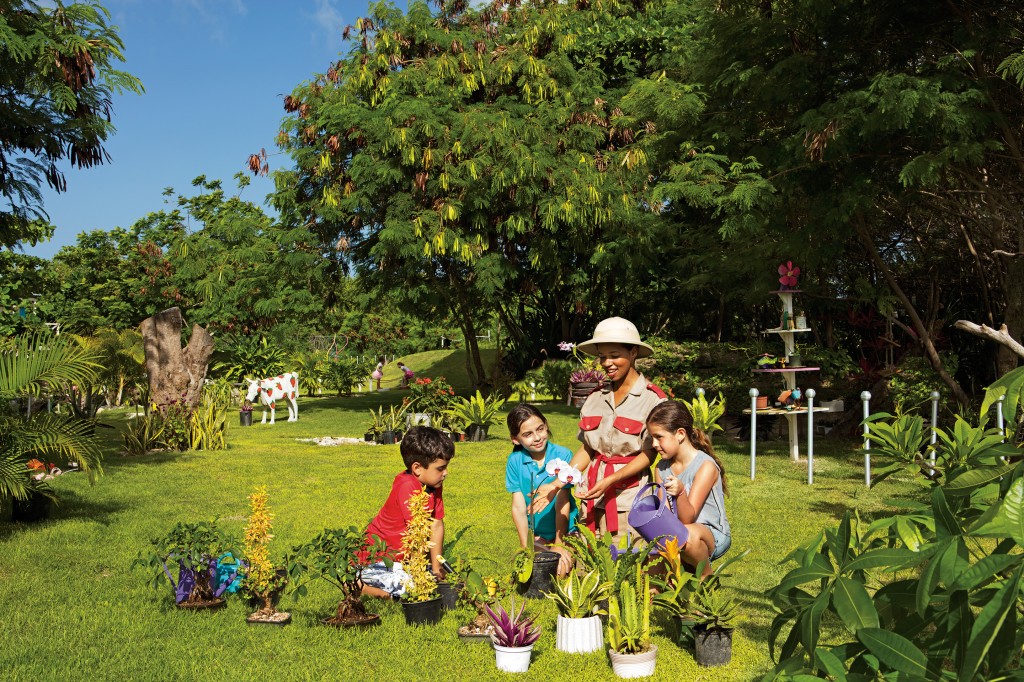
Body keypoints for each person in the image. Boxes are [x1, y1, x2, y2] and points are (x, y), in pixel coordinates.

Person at [530, 317, 667, 540]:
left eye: (614, 355)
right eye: (602, 357)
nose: (607, 363)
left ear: (633, 352)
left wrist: (611, 480)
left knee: (626, 558)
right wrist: (556, 484)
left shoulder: (652, 400)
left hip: (629, 500)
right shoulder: (595, 398)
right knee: (590, 557)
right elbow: (588, 449)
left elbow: (649, 454)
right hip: (592, 496)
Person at [361, 426, 454, 598]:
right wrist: (419, 575)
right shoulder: (407, 486)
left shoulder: (433, 485)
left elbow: (436, 524)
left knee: (435, 583)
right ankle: (362, 587)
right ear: (417, 468)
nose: (445, 473)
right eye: (440, 468)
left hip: (402, 562)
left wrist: (436, 568)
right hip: (377, 560)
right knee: (411, 589)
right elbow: (417, 533)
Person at [647, 400, 731, 576]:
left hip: (711, 534)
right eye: (651, 438)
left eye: (659, 437)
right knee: (653, 548)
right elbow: (665, 515)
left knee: (687, 535)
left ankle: (706, 577)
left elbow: (687, 518)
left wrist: (680, 493)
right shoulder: (661, 469)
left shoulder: (705, 466)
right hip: (680, 530)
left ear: (680, 434)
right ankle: (657, 588)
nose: (654, 444)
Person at [504, 404, 577, 576]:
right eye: (527, 434)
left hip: (567, 532)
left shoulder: (563, 455)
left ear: (546, 425)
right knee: (535, 571)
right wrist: (525, 547)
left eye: (540, 429)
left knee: (559, 571)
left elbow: (562, 502)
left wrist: (559, 544)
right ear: (515, 439)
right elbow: (518, 507)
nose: (537, 438)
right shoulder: (514, 461)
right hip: (538, 535)